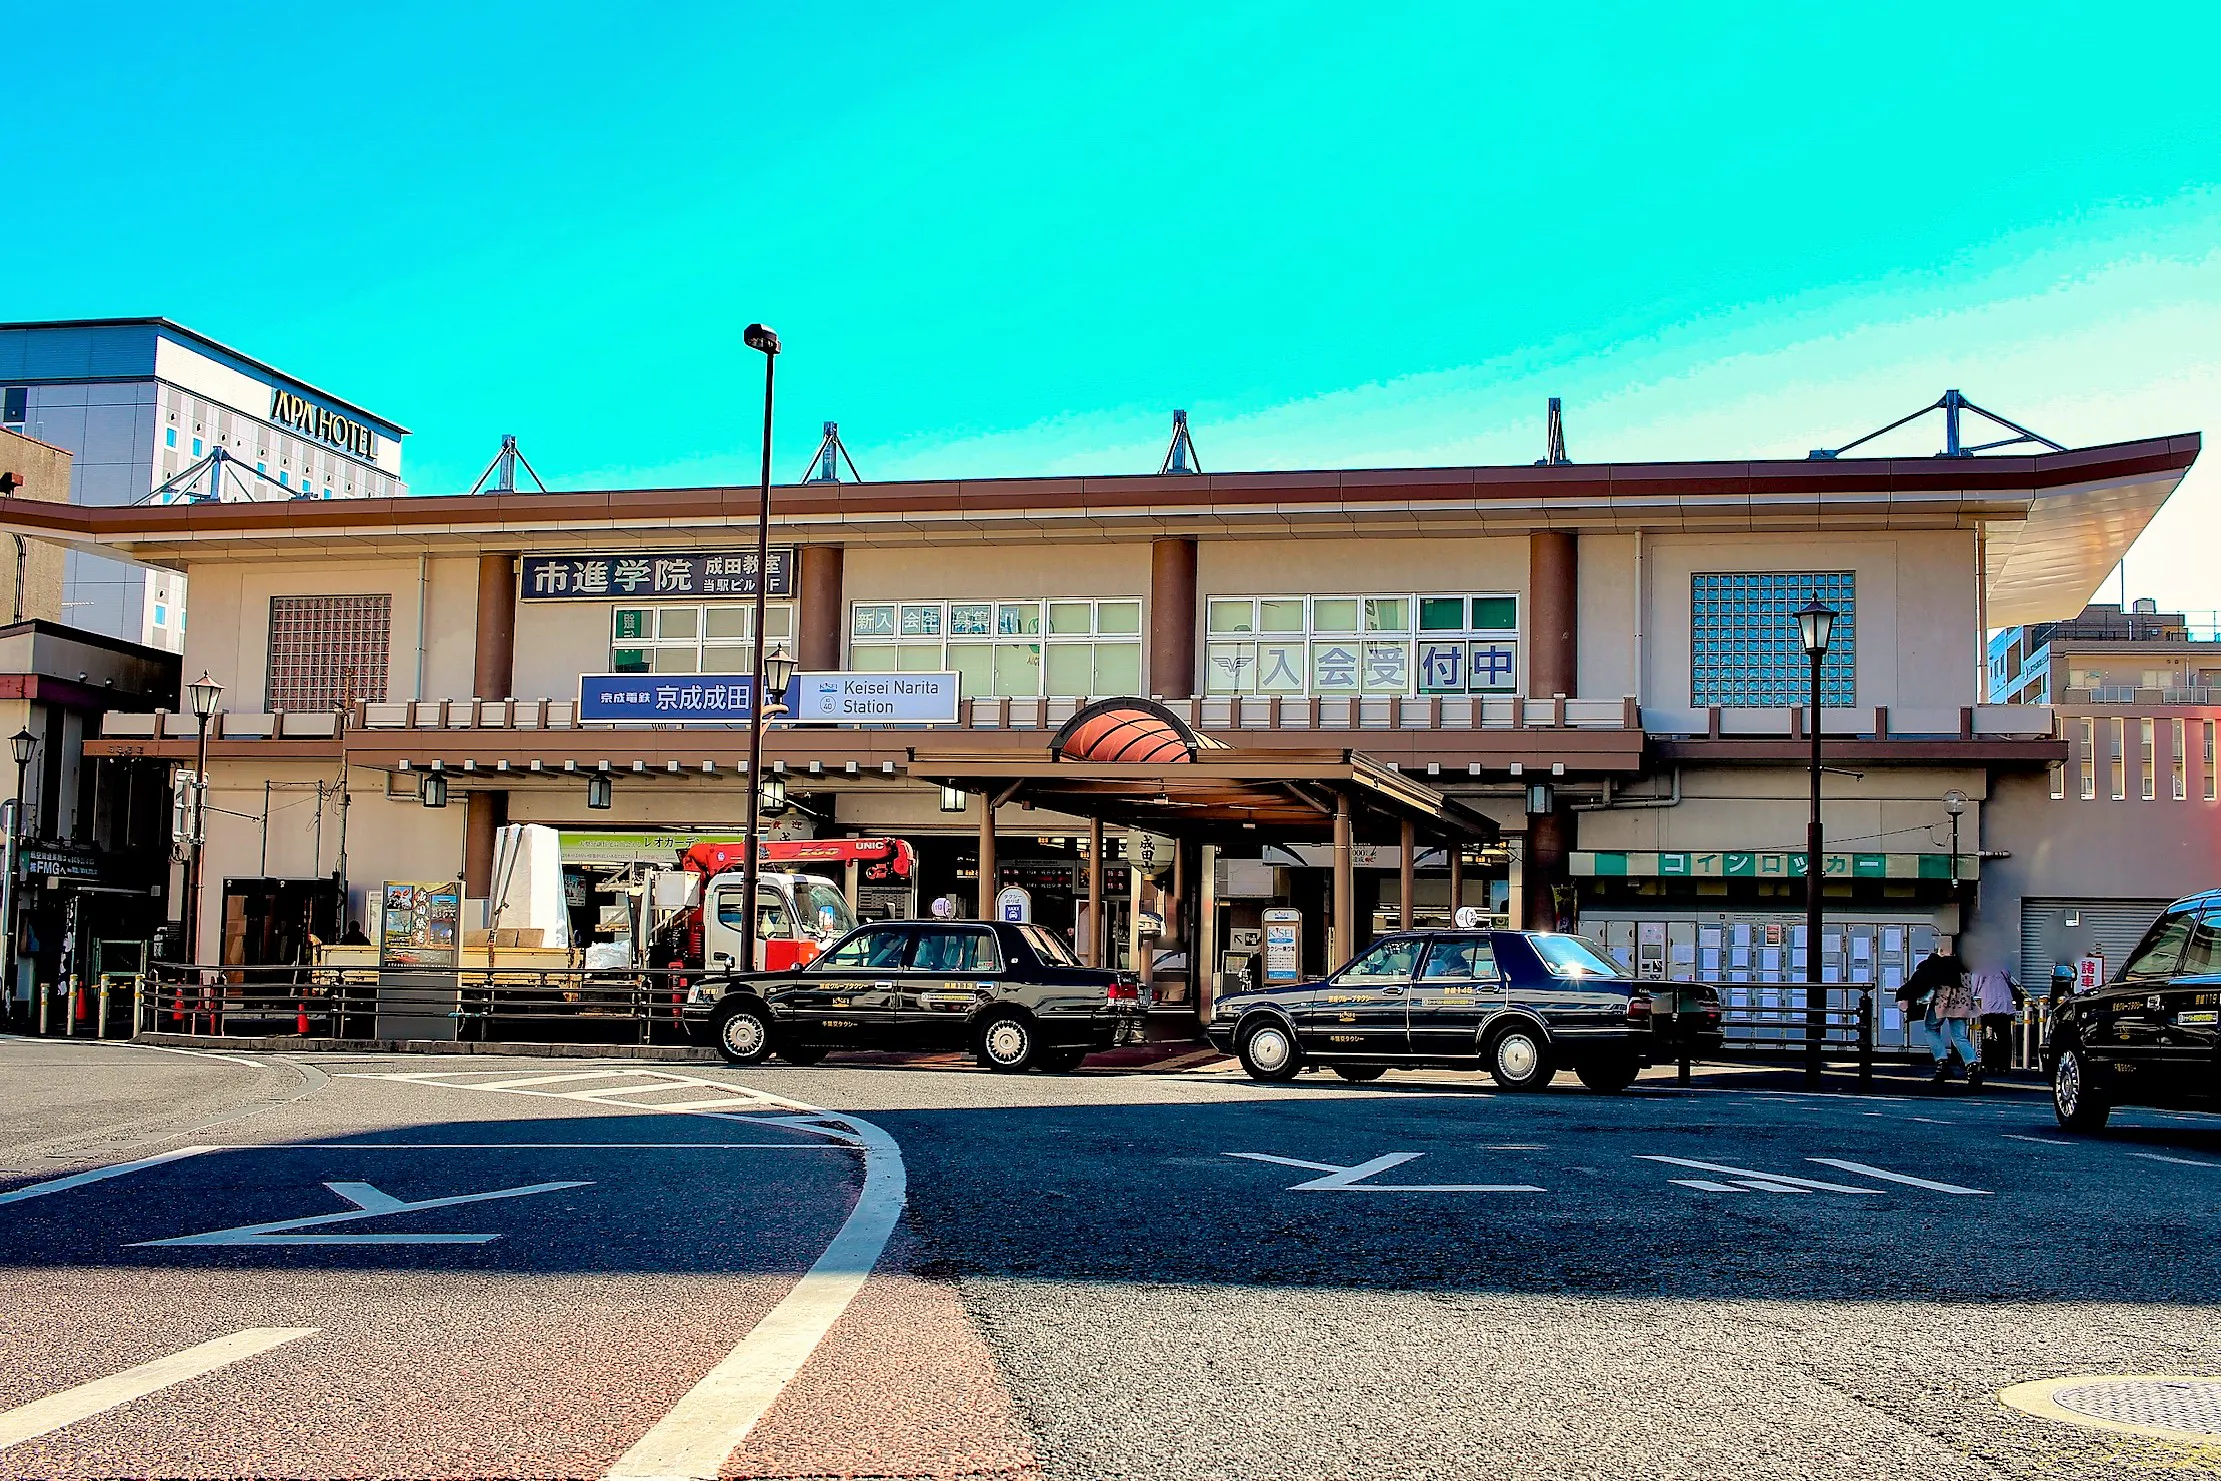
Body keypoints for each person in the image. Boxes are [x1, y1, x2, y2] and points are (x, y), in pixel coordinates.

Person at [1900, 937, 1978, 1087]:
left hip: (1941, 1003)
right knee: (1959, 1036)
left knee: (1931, 1028)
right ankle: (1972, 1066)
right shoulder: (1966, 965)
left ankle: (1942, 1063)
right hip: (1961, 1004)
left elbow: (1921, 982)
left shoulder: (1936, 964)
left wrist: (1906, 996)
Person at [1972, 954, 2023, 1073]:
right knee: (2004, 1036)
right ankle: (2005, 1065)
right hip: (2004, 1006)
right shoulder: (2003, 967)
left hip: (1987, 1006)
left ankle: (1988, 1062)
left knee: (1986, 1036)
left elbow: (1974, 987)